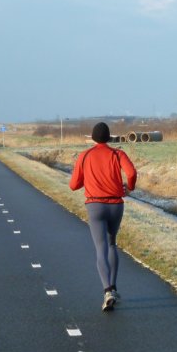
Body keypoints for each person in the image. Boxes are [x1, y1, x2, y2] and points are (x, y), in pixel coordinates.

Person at [70, 122, 137, 311]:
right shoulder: (118, 154)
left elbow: (74, 185)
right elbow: (131, 172)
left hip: (95, 205)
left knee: (100, 248)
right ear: (109, 137)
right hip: (116, 204)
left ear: (92, 138)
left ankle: (107, 290)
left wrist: (88, 179)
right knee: (112, 244)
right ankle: (114, 288)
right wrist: (129, 187)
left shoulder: (85, 156)